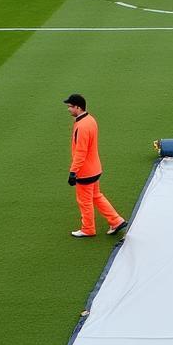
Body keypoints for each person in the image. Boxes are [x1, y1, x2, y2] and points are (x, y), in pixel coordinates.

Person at [64, 93, 127, 239]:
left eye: (70, 107)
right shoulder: (90, 120)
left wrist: (73, 172)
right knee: (96, 196)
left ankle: (88, 229)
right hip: (95, 168)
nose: (68, 109)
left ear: (78, 107)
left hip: (85, 172)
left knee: (84, 201)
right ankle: (116, 221)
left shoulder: (82, 126)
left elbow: (81, 152)